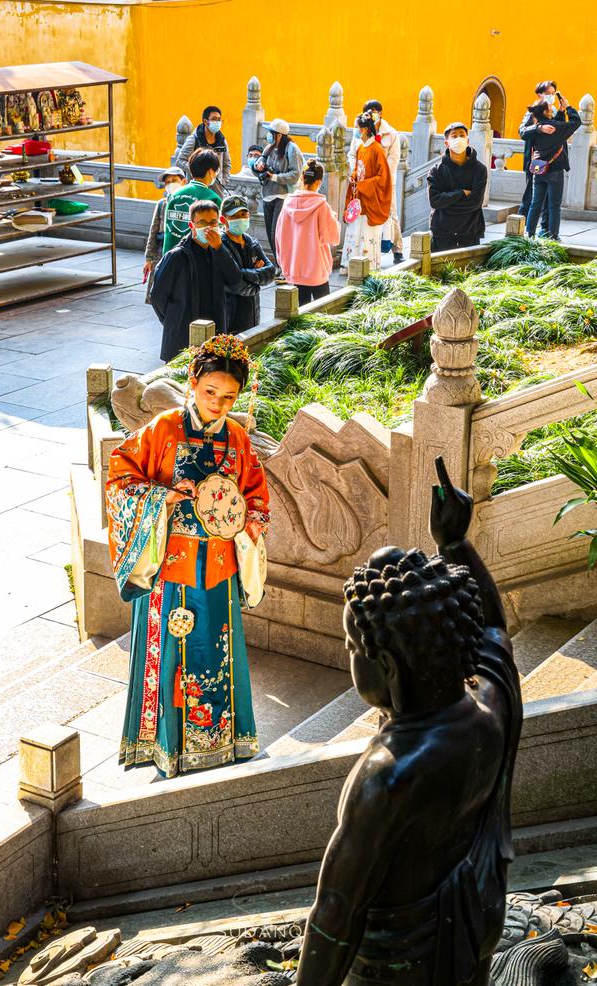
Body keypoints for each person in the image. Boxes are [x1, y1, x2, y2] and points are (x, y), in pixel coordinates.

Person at [296, 457, 522, 986]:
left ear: (388, 666)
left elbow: (335, 914)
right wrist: (454, 543)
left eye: (354, 648)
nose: (350, 656)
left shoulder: (388, 774)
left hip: (401, 967)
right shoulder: (490, 706)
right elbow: (493, 630)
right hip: (471, 927)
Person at [106, 334, 270, 779]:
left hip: (218, 572)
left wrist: (248, 522)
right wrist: (161, 498)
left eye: (228, 397)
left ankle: (222, 742)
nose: (218, 404)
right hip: (167, 572)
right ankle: (164, 746)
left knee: (215, 655)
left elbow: (257, 498)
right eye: (210, 392)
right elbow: (119, 477)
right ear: (193, 383)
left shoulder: (237, 437)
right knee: (170, 659)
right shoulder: (162, 429)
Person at [151, 200, 244, 361]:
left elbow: (235, 280)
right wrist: (174, 319)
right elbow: (157, 296)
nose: (208, 227)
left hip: (215, 333)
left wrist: (219, 249)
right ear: (192, 225)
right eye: (202, 222)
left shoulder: (220, 251)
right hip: (183, 336)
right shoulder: (177, 256)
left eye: (213, 222)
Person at [275, 158, 341, 305]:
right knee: (323, 313)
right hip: (316, 269)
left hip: (294, 268)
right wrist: (334, 219)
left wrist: (283, 264)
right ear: (319, 182)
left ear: (302, 178)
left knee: (301, 314)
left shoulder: (287, 205)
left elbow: (279, 237)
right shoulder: (322, 206)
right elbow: (333, 237)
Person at [348, 99, 404, 263]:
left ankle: (397, 250)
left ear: (380, 113)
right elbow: (353, 154)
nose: (371, 114)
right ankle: (363, 251)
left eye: (374, 111)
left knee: (390, 213)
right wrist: (356, 172)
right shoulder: (359, 132)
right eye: (368, 111)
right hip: (363, 182)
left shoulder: (391, 134)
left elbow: (394, 159)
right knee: (363, 214)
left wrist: (381, 179)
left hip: (385, 182)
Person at [523, 97, 580, 242]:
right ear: (546, 112)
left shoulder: (536, 129)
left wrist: (560, 112)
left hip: (538, 170)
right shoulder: (556, 127)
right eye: (549, 108)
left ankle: (529, 234)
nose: (551, 109)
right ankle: (553, 236)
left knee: (536, 204)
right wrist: (569, 108)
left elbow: (523, 133)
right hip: (554, 171)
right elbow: (576, 122)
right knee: (554, 205)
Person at [340, 112, 392, 271]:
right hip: (359, 198)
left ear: (363, 130)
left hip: (370, 199)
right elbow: (358, 167)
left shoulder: (377, 149)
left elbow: (383, 178)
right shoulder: (361, 147)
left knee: (367, 234)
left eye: (356, 127)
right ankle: (351, 266)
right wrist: (354, 175)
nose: (354, 130)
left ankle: (367, 268)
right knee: (355, 231)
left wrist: (363, 185)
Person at [252, 118, 306, 267]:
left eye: (271, 133)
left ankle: (285, 266)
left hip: (283, 196)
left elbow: (296, 174)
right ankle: (279, 265)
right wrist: (259, 167)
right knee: (271, 234)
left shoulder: (291, 149)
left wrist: (274, 177)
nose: (268, 135)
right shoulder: (268, 148)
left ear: (279, 135)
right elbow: (258, 169)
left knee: (278, 234)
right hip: (267, 195)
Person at [427, 122, 487, 252]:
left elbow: (476, 202)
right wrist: (460, 194)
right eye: (454, 136)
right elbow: (435, 201)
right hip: (442, 231)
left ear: (467, 140)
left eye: (462, 135)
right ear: (447, 143)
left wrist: (447, 203)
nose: (459, 139)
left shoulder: (479, 169)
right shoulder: (436, 171)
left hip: (470, 230)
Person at [220, 194, 275, 332]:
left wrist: (243, 272)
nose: (241, 219)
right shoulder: (220, 246)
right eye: (235, 216)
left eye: (244, 214)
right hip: (230, 316)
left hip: (253, 314)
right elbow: (234, 282)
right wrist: (256, 283)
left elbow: (271, 271)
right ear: (223, 219)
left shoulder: (251, 242)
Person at [518, 81, 566, 233]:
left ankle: (545, 229)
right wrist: (539, 128)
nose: (551, 97)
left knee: (548, 202)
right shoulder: (533, 111)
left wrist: (562, 111)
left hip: (553, 163)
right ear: (539, 95)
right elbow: (523, 132)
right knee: (531, 199)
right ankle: (521, 229)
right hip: (536, 162)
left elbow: (559, 130)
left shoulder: (551, 111)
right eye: (548, 93)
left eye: (553, 93)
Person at [162, 148, 222, 254]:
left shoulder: (175, 194)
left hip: (170, 255)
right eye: (216, 171)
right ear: (211, 172)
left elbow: (168, 228)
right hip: (196, 259)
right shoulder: (213, 199)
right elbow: (216, 235)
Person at [143, 166, 185, 304]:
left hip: (179, 249)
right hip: (160, 250)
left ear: (183, 182)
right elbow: (153, 232)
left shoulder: (188, 204)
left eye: (174, 180)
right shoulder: (162, 204)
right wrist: (149, 258)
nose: (170, 184)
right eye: (167, 182)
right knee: (157, 289)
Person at [176, 105, 232, 197]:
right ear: (205, 121)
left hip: (216, 190)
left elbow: (227, 164)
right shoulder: (194, 139)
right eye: (214, 119)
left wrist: (223, 181)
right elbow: (180, 161)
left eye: (219, 119)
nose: (217, 122)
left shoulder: (222, 140)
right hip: (196, 189)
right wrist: (198, 172)